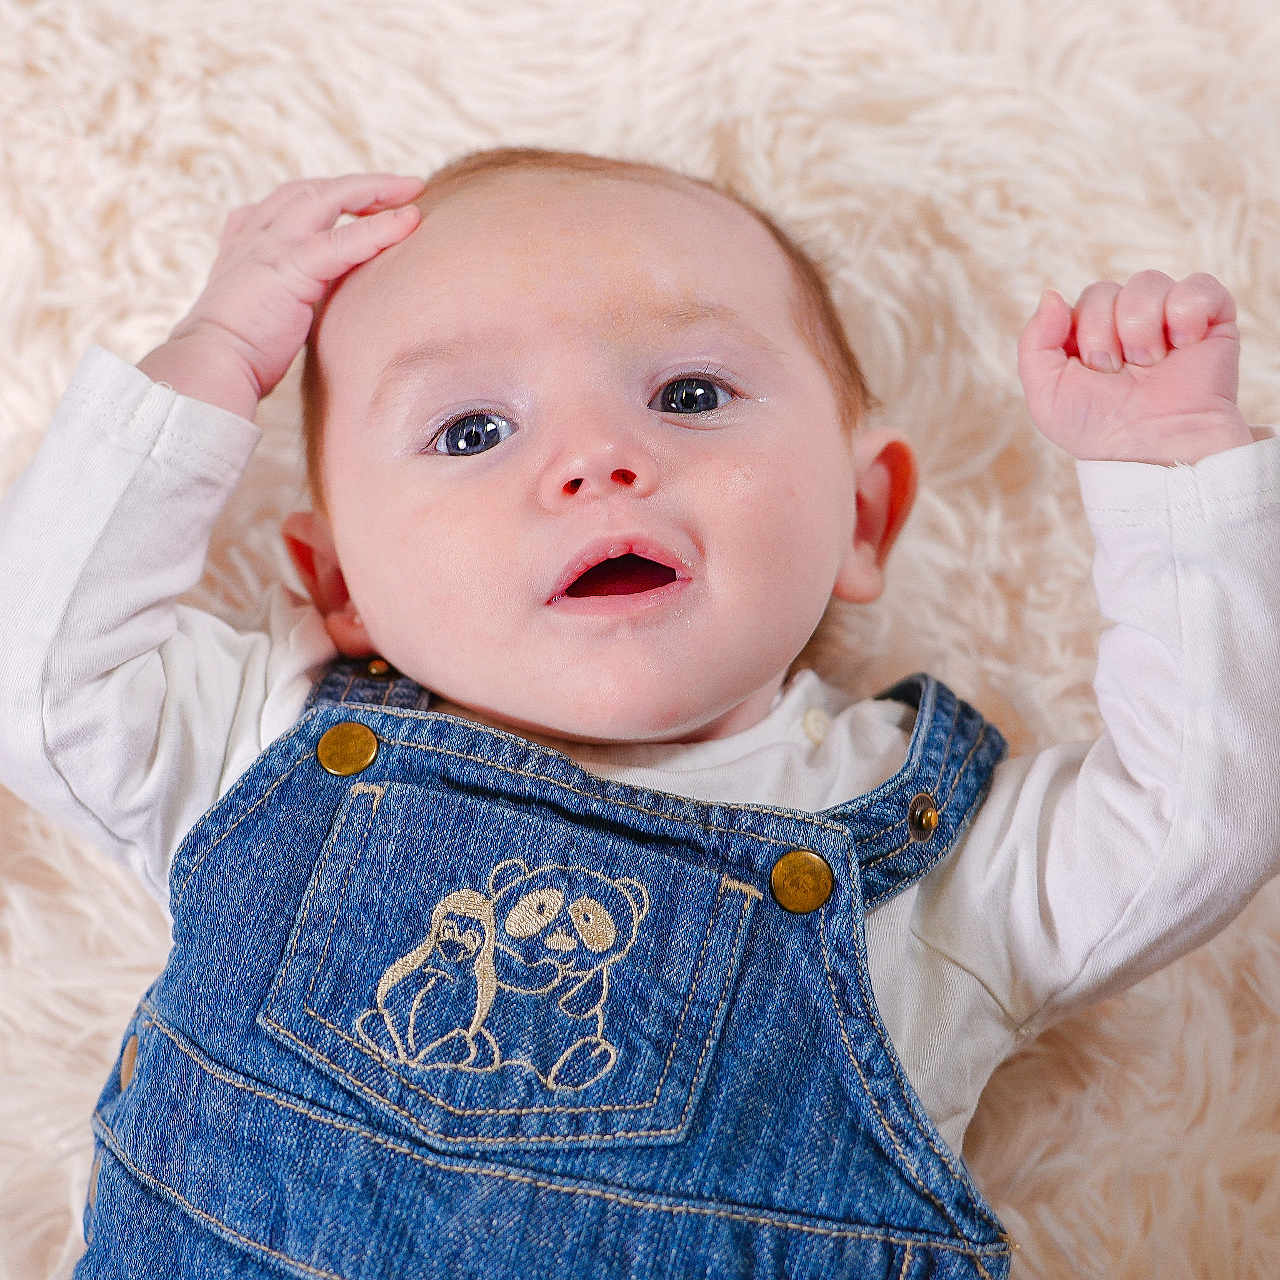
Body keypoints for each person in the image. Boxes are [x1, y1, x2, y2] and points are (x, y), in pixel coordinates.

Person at [0, 146, 1275, 1280]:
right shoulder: (254, 741)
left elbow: (1200, 812)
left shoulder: (945, 858)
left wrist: (1168, 481)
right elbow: (35, 672)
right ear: (340, 586)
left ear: (862, 517)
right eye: (472, 428)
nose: (597, 457)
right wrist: (209, 358)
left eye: (689, 395)